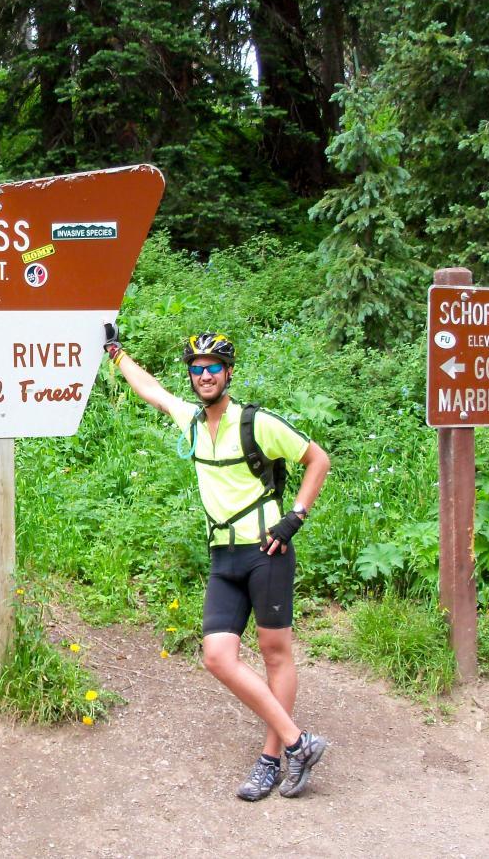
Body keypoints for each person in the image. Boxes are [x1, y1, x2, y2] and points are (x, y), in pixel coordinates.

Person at [104, 326, 332, 800]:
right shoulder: (189, 418)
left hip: (266, 551)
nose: (204, 375)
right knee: (217, 657)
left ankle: (273, 759)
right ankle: (297, 742)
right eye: (196, 368)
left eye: (213, 367)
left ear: (228, 372)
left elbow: (318, 460)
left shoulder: (256, 422)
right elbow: (151, 390)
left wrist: (295, 517)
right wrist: (116, 353)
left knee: (274, 653)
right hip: (222, 557)